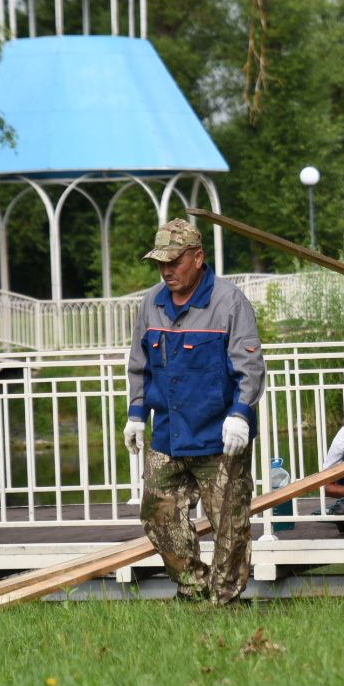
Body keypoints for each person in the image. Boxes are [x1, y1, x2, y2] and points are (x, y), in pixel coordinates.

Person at [122, 218, 265, 604]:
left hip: (220, 435)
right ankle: (193, 586)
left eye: (174, 261)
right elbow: (140, 363)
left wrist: (241, 413)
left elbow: (250, 367)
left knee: (229, 525)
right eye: (160, 263)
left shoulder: (229, 302)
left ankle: (226, 600)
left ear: (198, 257)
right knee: (156, 513)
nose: (166, 270)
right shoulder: (151, 303)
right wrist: (137, 412)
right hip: (168, 432)